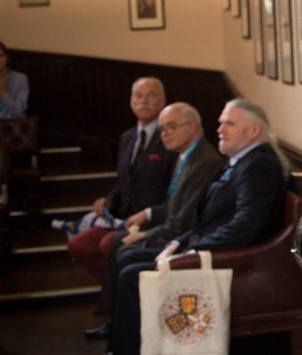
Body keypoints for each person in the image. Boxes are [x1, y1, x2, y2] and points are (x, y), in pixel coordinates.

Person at [98, 98, 289, 355]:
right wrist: (179, 242)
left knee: (134, 275)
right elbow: (211, 220)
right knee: (129, 258)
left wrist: (193, 250)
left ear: (253, 131)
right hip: (212, 249)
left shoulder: (259, 166)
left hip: (236, 264)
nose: (219, 129)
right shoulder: (239, 160)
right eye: (221, 122)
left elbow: (244, 228)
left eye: (229, 123)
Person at [92, 102, 223, 323]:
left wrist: (145, 234)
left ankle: (122, 322)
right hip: (173, 229)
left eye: (171, 127)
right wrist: (148, 213)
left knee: (124, 249)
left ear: (191, 126)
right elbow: (174, 206)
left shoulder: (204, 161)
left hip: (183, 238)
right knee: (119, 243)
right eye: (162, 129)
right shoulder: (185, 155)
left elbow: (185, 220)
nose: (164, 134)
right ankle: (114, 317)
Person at [72, 76, 175, 338]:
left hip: (151, 221)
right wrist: (108, 199)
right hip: (120, 216)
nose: (144, 101)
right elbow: (124, 181)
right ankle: (124, 292)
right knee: (79, 245)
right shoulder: (127, 137)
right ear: (131, 101)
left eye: (151, 95)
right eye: (138, 95)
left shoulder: (170, 138)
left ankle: (120, 307)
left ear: (163, 101)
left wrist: (151, 216)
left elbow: (175, 191)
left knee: (111, 245)